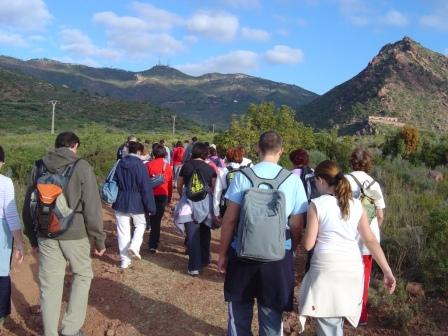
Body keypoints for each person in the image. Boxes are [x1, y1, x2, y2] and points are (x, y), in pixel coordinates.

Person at [218, 131, 308, 336]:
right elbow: (296, 225)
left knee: (239, 313)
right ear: (281, 151)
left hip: (242, 253)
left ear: (258, 149)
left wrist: (223, 253)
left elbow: (230, 220)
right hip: (277, 255)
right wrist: (291, 249)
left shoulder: (243, 177)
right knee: (271, 316)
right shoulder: (292, 181)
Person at [298, 160, 395, 335]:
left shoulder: (317, 204)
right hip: (352, 269)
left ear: (321, 180)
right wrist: (387, 271)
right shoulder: (356, 205)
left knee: (328, 325)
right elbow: (371, 240)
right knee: (335, 322)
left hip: (326, 269)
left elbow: (308, 245)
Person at [23, 132, 106, 336]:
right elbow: (92, 207)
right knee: (82, 275)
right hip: (75, 233)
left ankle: (49, 332)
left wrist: (33, 237)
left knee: (50, 285)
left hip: (46, 233)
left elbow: (28, 205)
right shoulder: (82, 166)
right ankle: (70, 329)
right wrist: (98, 240)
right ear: (75, 145)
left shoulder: (39, 165)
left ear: (57, 145)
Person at [346, 147, 386, 325]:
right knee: (364, 278)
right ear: (369, 163)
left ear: (351, 161)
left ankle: (343, 312)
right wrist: (371, 230)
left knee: (344, 275)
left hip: (346, 238)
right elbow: (380, 215)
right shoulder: (374, 184)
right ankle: (360, 316)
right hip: (366, 241)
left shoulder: (344, 181)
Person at [113, 141, 156, 268]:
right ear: (138, 152)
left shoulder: (119, 163)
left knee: (123, 231)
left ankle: (124, 261)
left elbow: (114, 181)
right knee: (140, 225)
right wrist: (151, 207)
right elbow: (145, 188)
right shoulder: (140, 165)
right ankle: (135, 246)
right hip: (137, 202)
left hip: (121, 200)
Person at [176, 142, 217, 276]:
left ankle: (194, 266)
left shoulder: (185, 167)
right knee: (205, 233)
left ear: (193, 152)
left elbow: (179, 185)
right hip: (205, 206)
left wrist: (184, 196)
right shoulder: (210, 169)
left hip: (189, 204)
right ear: (206, 154)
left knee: (192, 235)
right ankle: (205, 259)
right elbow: (214, 189)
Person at [0, 146, 24, 326]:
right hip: (1, 231)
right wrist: (19, 242)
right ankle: (1, 316)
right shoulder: (5, 182)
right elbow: (11, 214)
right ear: (2, 162)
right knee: (1, 273)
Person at [145, 144, 173, 253]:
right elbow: (170, 184)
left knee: (151, 218)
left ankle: (151, 240)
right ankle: (153, 244)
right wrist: (169, 197)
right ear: (165, 154)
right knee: (157, 220)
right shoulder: (168, 166)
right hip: (163, 194)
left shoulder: (148, 165)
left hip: (150, 194)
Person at [213, 147, 244, 221]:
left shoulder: (223, 171)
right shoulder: (245, 171)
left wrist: (216, 212)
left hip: (227, 206)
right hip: (242, 205)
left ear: (227, 158)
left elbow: (217, 192)